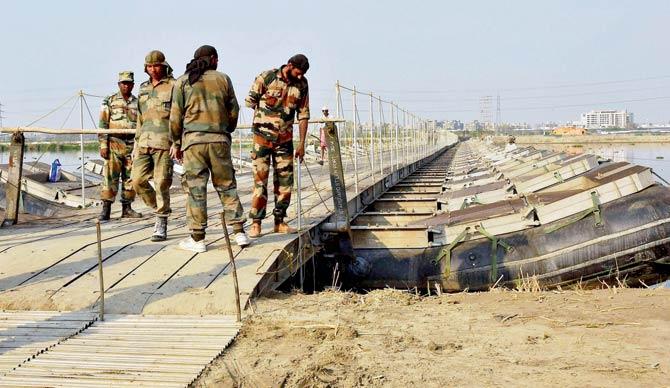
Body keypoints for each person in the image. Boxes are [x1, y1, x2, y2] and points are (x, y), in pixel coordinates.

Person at [170, 45, 250, 252]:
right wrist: (225, 130)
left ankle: (198, 239)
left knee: (196, 189)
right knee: (226, 186)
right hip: (219, 140)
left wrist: (176, 143)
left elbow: (175, 116)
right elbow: (234, 109)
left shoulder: (182, 81)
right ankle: (239, 232)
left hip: (193, 143)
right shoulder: (223, 79)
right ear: (213, 59)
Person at [245, 54, 310, 238]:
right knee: (260, 181)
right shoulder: (267, 77)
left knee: (285, 183)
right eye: (298, 72)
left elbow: (303, 115)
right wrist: (266, 117)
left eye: (303, 73)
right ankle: (256, 223)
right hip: (262, 140)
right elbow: (250, 101)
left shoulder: (302, 85)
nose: (300, 76)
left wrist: (302, 143)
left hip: (285, 141)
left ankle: (279, 221)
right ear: (289, 66)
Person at [131, 50, 175, 241]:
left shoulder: (174, 86)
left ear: (163, 66)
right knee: (136, 180)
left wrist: (177, 142)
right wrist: (135, 145)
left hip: (165, 143)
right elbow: (140, 118)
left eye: (156, 66)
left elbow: (179, 116)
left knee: (161, 182)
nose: (153, 70)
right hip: (143, 143)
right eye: (149, 66)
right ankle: (159, 208)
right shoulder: (143, 88)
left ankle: (161, 220)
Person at [97, 71, 142, 221]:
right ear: (119, 84)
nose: (126, 85)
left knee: (130, 178)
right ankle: (106, 209)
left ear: (133, 85)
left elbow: (142, 124)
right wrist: (103, 144)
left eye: (129, 83)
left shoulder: (138, 103)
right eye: (123, 83)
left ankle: (127, 208)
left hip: (131, 145)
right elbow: (103, 124)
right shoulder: (109, 101)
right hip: (114, 144)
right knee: (110, 177)